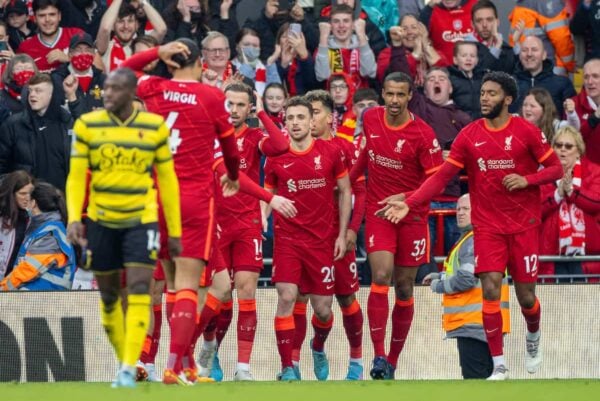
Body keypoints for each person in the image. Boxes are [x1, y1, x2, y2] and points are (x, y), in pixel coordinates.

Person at [381, 71, 564, 380]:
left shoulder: (526, 132)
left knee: (526, 297)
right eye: (482, 93)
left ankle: (533, 336)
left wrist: (527, 179)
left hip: (522, 225)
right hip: (488, 226)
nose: (484, 98)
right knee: (490, 290)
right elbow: (440, 176)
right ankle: (499, 364)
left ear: (507, 99)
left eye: (492, 94)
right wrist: (411, 201)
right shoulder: (470, 135)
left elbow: (556, 168)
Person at [120, 39, 241, 385]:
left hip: (156, 197)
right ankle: (174, 365)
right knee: (189, 284)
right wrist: (232, 176)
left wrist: (154, 54)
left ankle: (186, 364)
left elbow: (123, 70)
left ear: (172, 62)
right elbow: (230, 149)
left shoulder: (154, 87)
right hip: (193, 198)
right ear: (201, 62)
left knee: (173, 283)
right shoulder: (211, 96)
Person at [65, 67, 182, 388]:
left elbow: (168, 181)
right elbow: (76, 176)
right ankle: (124, 360)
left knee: (142, 289)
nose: (107, 94)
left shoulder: (154, 127)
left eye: (115, 89)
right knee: (109, 297)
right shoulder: (87, 125)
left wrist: (174, 230)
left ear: (131, 93)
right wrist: (75, 217)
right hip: (101, 220)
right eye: (106, 88)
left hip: (141, 219)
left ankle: (131, 366)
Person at [348, 71, 444, 380]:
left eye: (400, 95)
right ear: (383, 93)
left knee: (404, 287)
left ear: (410, 96)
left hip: (412, 217)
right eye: (389, 93)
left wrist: (405, 198)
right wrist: (346, 182)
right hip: (379, 214)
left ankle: (392, 360)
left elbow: (436, 182)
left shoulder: (423, 134)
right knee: (380, 275)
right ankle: (377, 356)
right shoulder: (372, 119)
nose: (393, 100)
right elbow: (366, 156)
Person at [197, 82, 290, 382]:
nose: (234, 111)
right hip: (216, 223)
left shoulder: (252, 136)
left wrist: (262, 112)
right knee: (220, 296)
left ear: (248, 107)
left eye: (240, 105)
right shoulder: (209, 136)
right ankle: (208, 346)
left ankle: (243, 367)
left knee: (247, 291)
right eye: (229, 104)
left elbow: (280, 146)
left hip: (247, 222)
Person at [264, 96, 351, 381]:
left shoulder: (330, 152)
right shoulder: (275, 158)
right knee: (287, 297)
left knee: (323, 310)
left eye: (301, 117)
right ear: (284, 123)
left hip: (322, 241)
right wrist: (261, 219)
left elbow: (345, 192)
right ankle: (288, 367)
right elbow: (267, 195)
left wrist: (341, 234)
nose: (296, 123)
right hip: (288, 241)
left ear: (312, 121)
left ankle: (317, 345)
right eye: (290, 118)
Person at [305, 89, 366, 380]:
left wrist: (352, 229)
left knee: (347, 298)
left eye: (314, 112)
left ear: (330, 117)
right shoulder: (295, 149)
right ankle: (311, 351)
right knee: (309, 301)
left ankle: (356, 362)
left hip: (339, 234)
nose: (309, 119)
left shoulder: (347, 149)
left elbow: (363, 192)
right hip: (306, 237)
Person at [422, 193, 510, 379]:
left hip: (474, 324)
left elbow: (467, 279)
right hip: (483, 325)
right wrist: (440, 275)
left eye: (466, 209)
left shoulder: (473, 240)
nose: (460, 213)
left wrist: (439, 285)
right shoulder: (478, 238)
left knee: (476, 384)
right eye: (458, 209)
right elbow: (472, 273)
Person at [539, 126, 600, 278]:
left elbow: (596, 202)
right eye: (558, 145)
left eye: (568, 146)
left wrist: (572, 192)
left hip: (587, 254)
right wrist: (558, 194)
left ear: (578, 151)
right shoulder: (543, 175)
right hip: (551, 254)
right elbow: (534, 210)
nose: (562, 150)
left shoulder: (594, 172)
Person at [0, 73, 73, 192]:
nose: (32, 95)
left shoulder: (67, 122)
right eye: (30, 90)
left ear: (51, 95)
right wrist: (11, 191)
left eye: (38, 91)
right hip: (28, 201)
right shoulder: (13, 124)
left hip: (62, 199)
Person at [1, 181, 76, 291]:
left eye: (28, 199)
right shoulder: (43, 229)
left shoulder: (50, 234)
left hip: (43, 299)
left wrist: (3, 289)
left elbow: (27, 270)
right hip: (39, 296)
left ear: (34, 203)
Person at [315, 4, 377, 89]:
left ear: (353, 25)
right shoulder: (324, 48)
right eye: (336, 21)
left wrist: (362, 36)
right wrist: (323, 38)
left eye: (346, 21)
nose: (341, 25)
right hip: (335, 99)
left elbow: (370, 72)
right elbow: (322, 76)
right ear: (330, 25)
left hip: (359, 99)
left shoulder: (362, 46)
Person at [512, 35, 576, 116]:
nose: (529, 54)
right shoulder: (509, 84)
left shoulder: (562, 84)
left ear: (544, 55)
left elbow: (572, 118)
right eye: (524, 50)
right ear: (520, 55)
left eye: (534, 50)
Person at [96, 0, 166, 73]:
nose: (126, 26)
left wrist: (142, 1)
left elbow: (161, 30)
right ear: (113, 26)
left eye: (130, 21)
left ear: (137, 25)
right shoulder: (106, 46)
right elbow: (105, 28)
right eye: (120, 21)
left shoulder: (141, 46)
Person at [509, 0, 575, 76]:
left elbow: (514, 42)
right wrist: (570, 64)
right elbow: (561, 39)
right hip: (550, 70)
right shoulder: (548, 3)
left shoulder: (522, 4)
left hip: (526, 71)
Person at [376, 14, 445, 87]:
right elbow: (396, 79)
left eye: (414, 27)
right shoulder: (387, 53)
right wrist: (414, 56)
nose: (410, 32)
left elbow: (444, 73)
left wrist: (425, 44)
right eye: (404, 29)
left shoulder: (432, 51)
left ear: (422, 30)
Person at [17, 0, 85, 73]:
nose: (47, 20)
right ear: (35, 18)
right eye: (42, 15)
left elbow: (97, 67)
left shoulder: (77, 35)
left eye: (52, 14)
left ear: (59, 16)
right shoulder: (25, 47)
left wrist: (68, 59)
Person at [51, 32, 106, 119]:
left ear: (94, 54)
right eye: (78, 50)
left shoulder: (103, 80)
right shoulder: (56, 79)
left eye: (88, 50)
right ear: (69, 54)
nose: (83, 53)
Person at [420, 0, 477, 65]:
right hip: (443, 71)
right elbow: (419, 35)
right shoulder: (430, 10)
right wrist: (428, 9)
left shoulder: (476, 5)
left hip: (476, 68)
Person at [0, 170, 33, 280]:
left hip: (15, 281)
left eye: (30, 193)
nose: (27, 198)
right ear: (11, 194)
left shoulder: (32, 218)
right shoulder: (3, 217)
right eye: (22, 194)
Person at [466, 0, 514, 73]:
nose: (484, 25)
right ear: (472, 24)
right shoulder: (464, 50)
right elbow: (481, 75)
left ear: (497, 22)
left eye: (489, 20)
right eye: (479, 21)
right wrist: (496, 48)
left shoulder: (507, 49)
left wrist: (517, 44)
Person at [231, 28, 281, 96]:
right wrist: (246, 67)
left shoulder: (265, 67)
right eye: (246, 44)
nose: (251, 48)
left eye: (255, 46)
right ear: (237, 46)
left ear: (259, 49)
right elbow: (239, 90)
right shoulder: (230, 67)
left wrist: (270, 64)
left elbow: (277, 94)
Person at [571, 58, 600, 164]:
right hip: (584, 173)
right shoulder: (573, 105)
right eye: (586, 77)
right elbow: (571, 139)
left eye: (595, 76)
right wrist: (594, 119)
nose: (590, 82)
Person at [448, 41, 484, 119]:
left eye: (472, 56)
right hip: (460, 124)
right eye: (464, 55)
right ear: (455, 60)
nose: (468, 59)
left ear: (477, 60)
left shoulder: (482, 78)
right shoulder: (450, 79)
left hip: (480, 123)